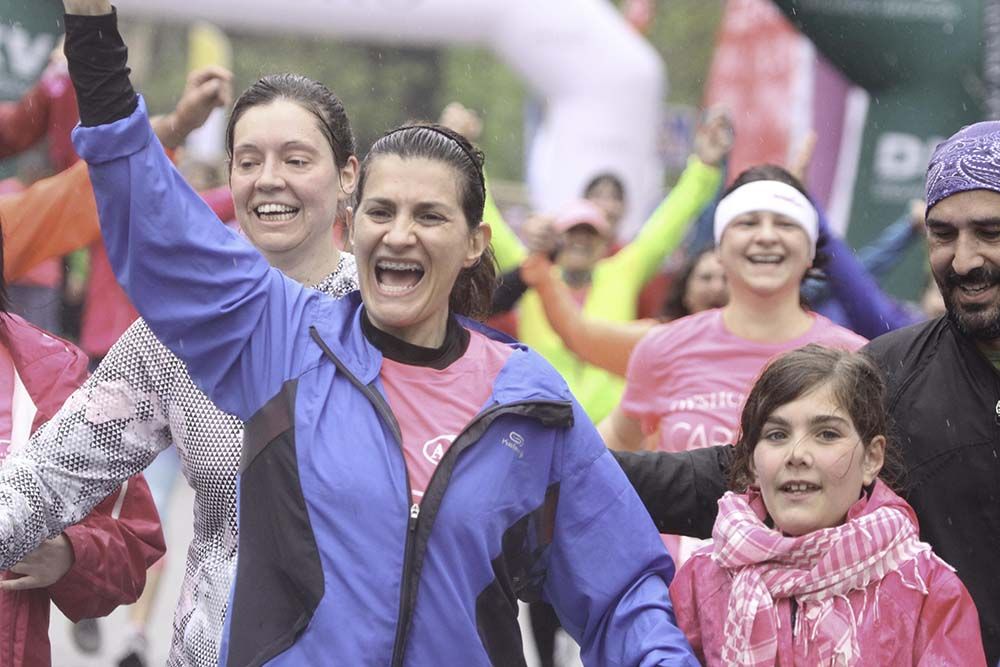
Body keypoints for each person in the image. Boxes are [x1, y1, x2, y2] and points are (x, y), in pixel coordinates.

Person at [63, 4, 700, 665]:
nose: (400, 233)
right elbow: (156, 221)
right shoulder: (281, 342)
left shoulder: (527, 401)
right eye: (381, 211)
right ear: (353, 219)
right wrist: (92, 33)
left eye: (429, 214)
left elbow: (621, 591)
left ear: (475, 243)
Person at [0, 35, 359, 667]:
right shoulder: (178, 332)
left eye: (296, 159)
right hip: (213, 649)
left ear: (347, 175)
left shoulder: (387, 320)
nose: (269, 178)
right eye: (248, 160)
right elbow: (45, 482)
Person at [612, 121, 1000, 664]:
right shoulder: (893, 370)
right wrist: (577, 467)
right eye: (942, 234)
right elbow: (743, 472)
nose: (964, 260)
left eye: (990, 232)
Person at [670, 345, 985, 666]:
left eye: (826, 434)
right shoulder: (702, 578)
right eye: (777, 435)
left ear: (872, 458)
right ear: (751, 461)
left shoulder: (926, 590)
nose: (797, 454)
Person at [601, 165, 867, 454]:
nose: (766, 236)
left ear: (810, 250)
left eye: (786, 224)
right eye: (747, 223)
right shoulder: (663, 347)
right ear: (719, 249)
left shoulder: (853, 356)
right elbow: (605, 453)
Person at [0, 221, 165, 667]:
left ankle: (134, 633)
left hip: (132, 394)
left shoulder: (48, 376)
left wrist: (73, 554)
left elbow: (135, 545)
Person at [514, 118, 729, 423]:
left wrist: (704, 168)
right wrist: (465, 153)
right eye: (572, 233)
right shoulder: (532, 276)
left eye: (590, 235)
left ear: (605, 243)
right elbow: (488, 222)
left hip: (611, 439)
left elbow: (666, 225)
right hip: (541, 428)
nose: (579, 242)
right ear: (556, 239)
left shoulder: (622, 271)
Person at [517, 247, 727, 377]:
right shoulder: (661, 339)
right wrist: (544, 278)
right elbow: (581, 336)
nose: (717, 287)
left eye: (726, 279)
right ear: (685, 291)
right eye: (706, 278)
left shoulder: (760, 343)